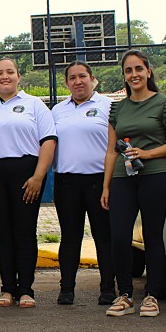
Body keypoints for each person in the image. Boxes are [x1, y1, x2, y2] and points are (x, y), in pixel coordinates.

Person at [102, 49, 166, 318]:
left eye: (138, 69)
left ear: (148, 71)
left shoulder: (164, 103)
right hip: (122, 177)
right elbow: (110, 150)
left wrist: (148, 153)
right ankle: (125, 294)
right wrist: (106, 186)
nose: (134, 74)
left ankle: (152, 296)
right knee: (119, 237)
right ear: (124, 76)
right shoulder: (117, 108)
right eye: (128, 70)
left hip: (156, 176)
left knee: (152, 236)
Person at [0, 57, 56, 309]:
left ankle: (26, 289)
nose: (4, 76)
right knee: (2, 233)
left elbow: (48, 141)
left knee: (25, 231)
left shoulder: (35, 105)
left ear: (19, 76)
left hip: (26, 174)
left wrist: (39, 176)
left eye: (10, 72)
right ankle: (7, 288)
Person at [51, 61, 115, 306]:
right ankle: (66, 289)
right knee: (70, 237)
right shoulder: (57, 111)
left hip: (99, 181)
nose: (78, 81)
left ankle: (108, 288)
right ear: (66, 83)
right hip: (67, 182)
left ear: (92, 79)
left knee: (103, 236)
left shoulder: (108, 106)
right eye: (72, 78)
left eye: (83, 76)